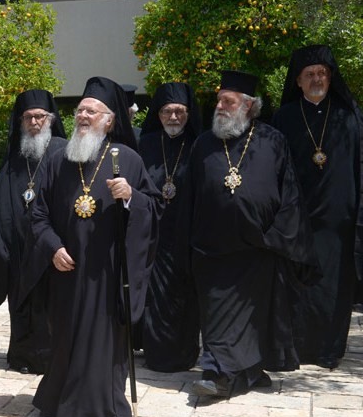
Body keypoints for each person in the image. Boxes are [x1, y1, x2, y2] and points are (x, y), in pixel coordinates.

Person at [26, 76, 162, 417]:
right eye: (80, 109)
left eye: (92, 110)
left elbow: (152, 210)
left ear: (109, 120)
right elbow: (37, 215)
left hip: (107, 272)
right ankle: (58, 399)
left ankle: (96, 410)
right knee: (65, 339)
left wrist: (131, 195)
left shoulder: (127, 160)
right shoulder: (58, 160)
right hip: (67, 270)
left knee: (100, 344)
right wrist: (53, 247)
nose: (83, 115)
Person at [185, 71, 318, 398]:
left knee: (254, 318)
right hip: (213, 249)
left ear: (247, 106)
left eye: (227, 101)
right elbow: (190, 196)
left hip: (259, 249)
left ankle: (248, 371)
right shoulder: (204, 144)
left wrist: (277, 236)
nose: (219, 106)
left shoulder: (272, 140)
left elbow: (290, 192)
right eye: (219, 100)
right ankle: (215, 373)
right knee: (216, 315)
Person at [271, 45, 363, 369]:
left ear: (330, 77)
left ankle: (329, 350)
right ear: (297, 80)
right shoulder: (283, 118)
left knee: (334, 289)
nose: (316, 79)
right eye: (309, 74)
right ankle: (298, 348)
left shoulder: (349, 118)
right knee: (300, 290)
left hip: (338, 223)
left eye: (322, 73)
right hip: (298, 221)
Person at [0, 89, 66, 375]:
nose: (34, 123)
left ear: (50, 119)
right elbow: (1, 200)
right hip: (18, 249)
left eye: (40, 116)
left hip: (51, 249)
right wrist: (0, 241)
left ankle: (52, 358)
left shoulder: (63, 151)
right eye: (28, 117)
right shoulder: (15, 155)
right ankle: (22, 356)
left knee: (51, 307)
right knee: (21, 305)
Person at [137, 82, 202, 372]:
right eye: (166, 112)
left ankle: (185, 353)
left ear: (189, 114)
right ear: (157, 114)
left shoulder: (200, 144)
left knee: (186, 298)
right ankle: (156, 352)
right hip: (154, 235)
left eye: (180, 111)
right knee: (154, 296)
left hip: (189, 234)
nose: (173, 118)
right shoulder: (147, 144)